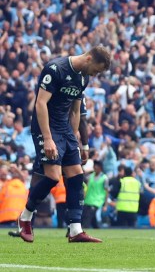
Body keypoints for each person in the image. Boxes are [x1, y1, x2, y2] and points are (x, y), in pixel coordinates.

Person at [15, 46, 112, 243]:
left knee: (77, 176)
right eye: (97, 69)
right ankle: (25, 217)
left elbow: (76, 111)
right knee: (52, 176)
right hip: (46, 127)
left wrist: (75, 139)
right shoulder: (55, 69)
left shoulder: (83, 77)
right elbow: (40, 104)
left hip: (65, 129)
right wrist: (48, 138)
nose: (96, 74)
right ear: (89, 59)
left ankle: (75, 229)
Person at [81, 160, 109, 229]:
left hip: (97, 200)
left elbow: (106, 192)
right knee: (86, 214)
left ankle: (85, 228)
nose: (95, 169)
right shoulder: (90, 177)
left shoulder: (104, 178)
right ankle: (96, 227)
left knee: (89, 214)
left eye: (97, 167)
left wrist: (105, 205)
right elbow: (86, 187)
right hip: (88, 199)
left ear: (100, 168)